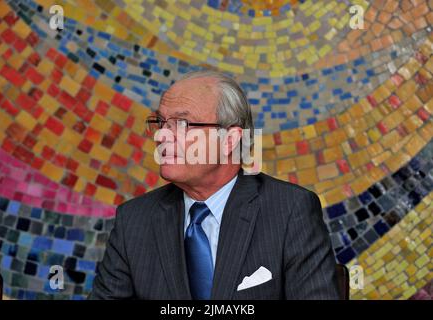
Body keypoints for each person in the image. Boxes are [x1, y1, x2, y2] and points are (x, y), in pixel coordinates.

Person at [89, 71, 340, 300]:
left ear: (230, 140)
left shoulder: (290, 210)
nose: (161, 136)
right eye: (160, 122)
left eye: (182, 124)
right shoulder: (134, 220)